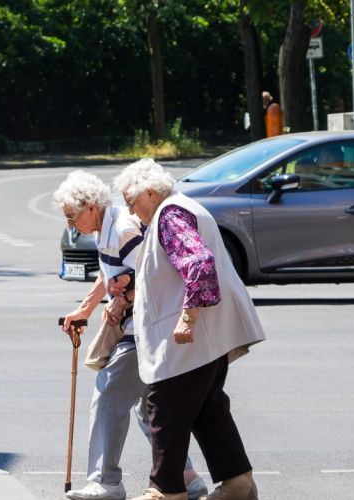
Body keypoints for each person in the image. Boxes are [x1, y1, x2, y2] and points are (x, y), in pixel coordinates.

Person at [112, 159, 266, 500]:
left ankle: (165, 491)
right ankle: (238, 484)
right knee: (207, 409)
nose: (132, 212)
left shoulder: (170, 214)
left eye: (131, 202)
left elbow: (198, 263)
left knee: (164, 407)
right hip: (207, 339)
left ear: (149, 194)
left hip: (188, 341)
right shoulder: (183, 207)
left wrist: (188, 317)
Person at [53, 170, 208, 500]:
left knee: (109, 392)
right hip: (136, 323)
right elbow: (108, 272)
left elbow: (154, 275)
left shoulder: (122, 229)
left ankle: (106, 481)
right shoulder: (104, 228)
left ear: (91, 206)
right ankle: (185, 476)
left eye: (71, 216)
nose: (70, 225)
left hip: (144, 326)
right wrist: (86, 308)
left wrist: (124, 298)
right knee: (145, 405)